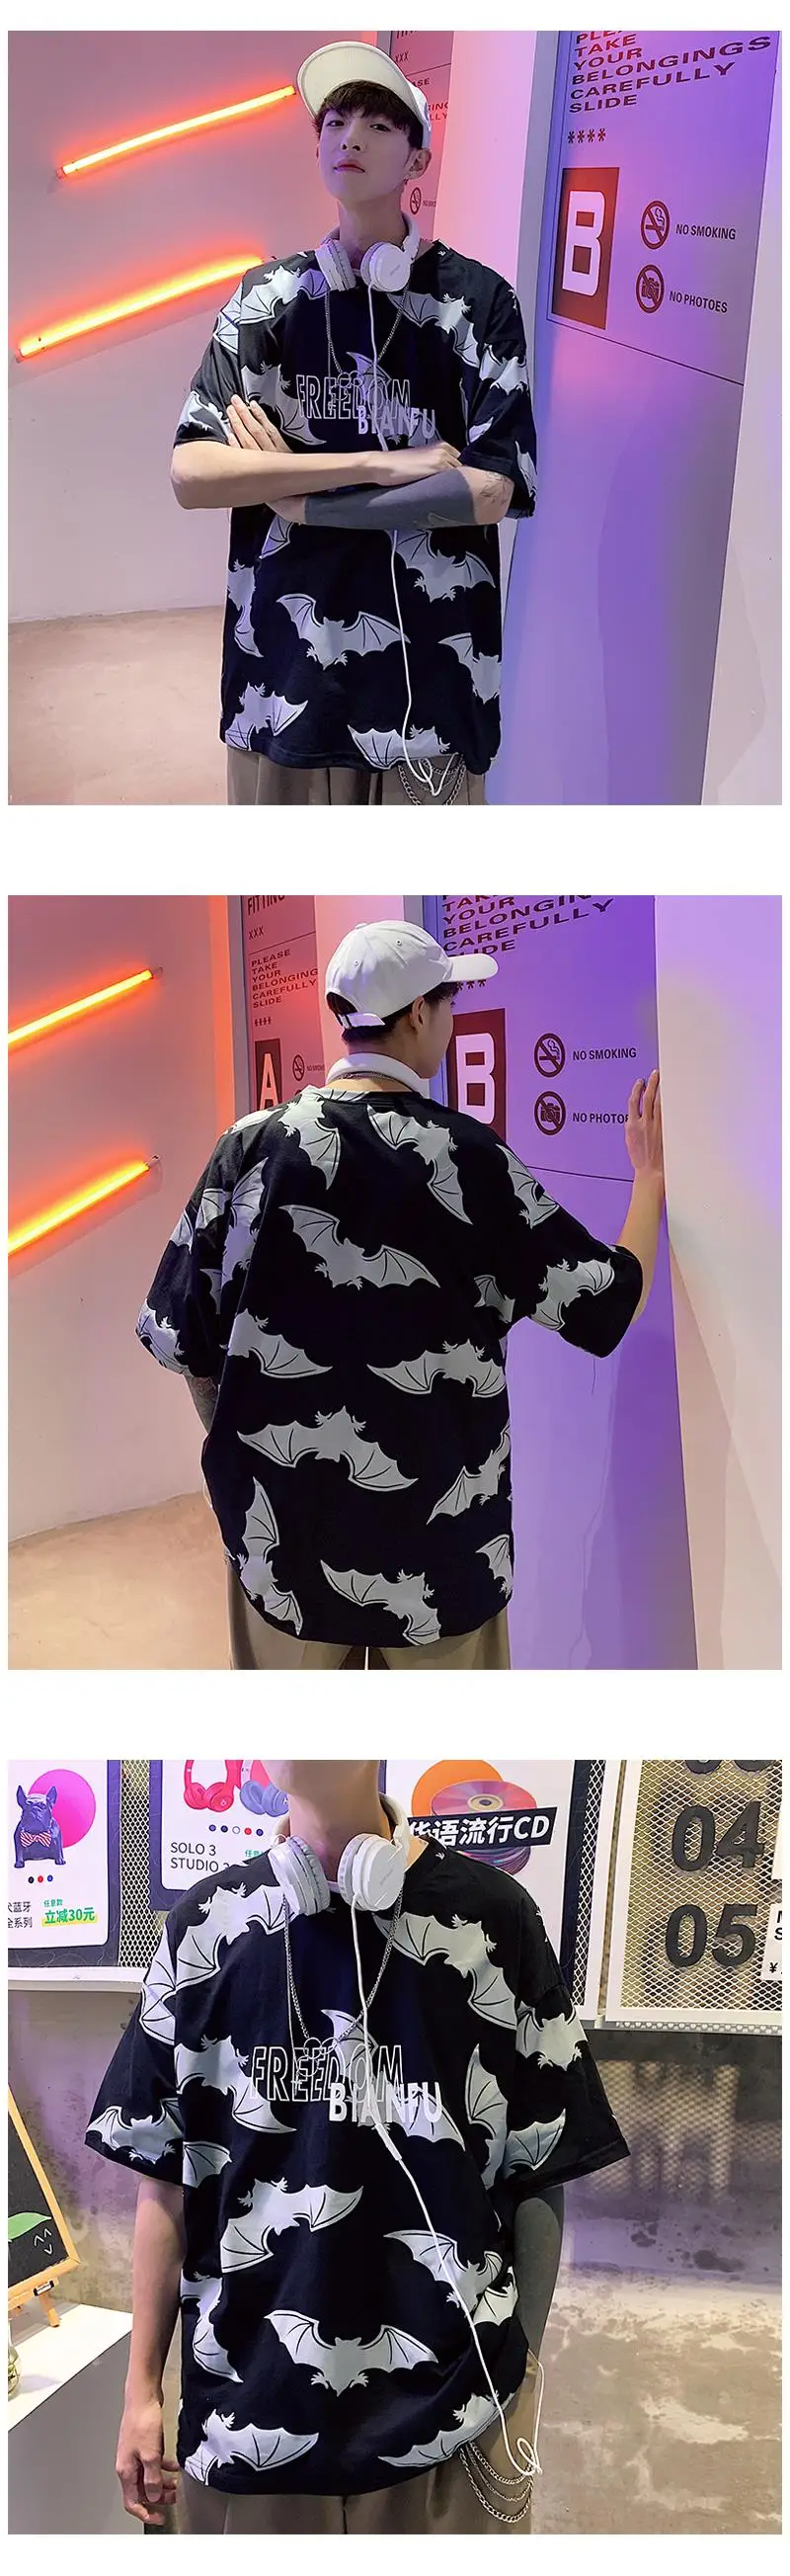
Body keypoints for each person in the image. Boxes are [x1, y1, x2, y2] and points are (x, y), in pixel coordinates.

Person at [85, 1759, 630, 2534]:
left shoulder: (493, 1918)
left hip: (453, 2420)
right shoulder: (204, 1927)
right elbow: (164, 2178)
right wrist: (141, 2389)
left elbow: (541, 2161)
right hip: (246, 2421)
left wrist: (524, 2372)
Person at [136, 919, 664, 1671]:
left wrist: (245, 1453)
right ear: (419, 1013)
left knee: (295, 1742)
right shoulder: (470, 1161)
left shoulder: (248, 1148)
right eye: (449, 1003)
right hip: (440, 1564)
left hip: (281, 1550)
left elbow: (183, 1340)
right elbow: (608, 1303)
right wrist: (649, 1181)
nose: (450, 1021)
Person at [170, 41, 537, 807]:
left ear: (417, 160)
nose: (350, 137)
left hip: (430, 694)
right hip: (281, 682)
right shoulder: (267, 299)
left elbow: (491, 490)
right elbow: (194, 473)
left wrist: (297, 500)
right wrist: (373, 466)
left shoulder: (478, 303)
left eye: (378, 123)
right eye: (335, 122)